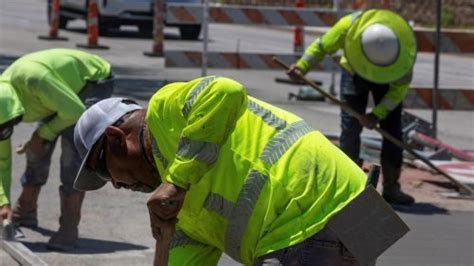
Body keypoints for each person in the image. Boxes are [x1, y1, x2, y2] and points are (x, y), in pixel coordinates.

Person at [73, 76, 372, 265]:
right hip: (359, 211)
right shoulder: (182, 211)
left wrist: (178, 181)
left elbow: (226, 89)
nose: (114, 185)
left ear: (116, 139)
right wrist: (164, 241)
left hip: (316, 210)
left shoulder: (164, 111)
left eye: (104, 172)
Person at [287, 9, 417, 205]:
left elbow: (396, 95)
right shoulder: (349, 27)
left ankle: (391, 187)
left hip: (388, 81)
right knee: (350, 129)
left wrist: (376, 114)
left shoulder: (404, 55)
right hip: (354, 72)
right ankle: (349, 188)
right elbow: (322, 46)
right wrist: (302, 65)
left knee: (393, 132)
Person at [0, 48, 114, 250]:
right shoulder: (5, 102)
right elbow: (2, 163)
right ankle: (25, 210)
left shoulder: (34, 81)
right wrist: (2, 202)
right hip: (56, 90)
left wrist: (43, 134)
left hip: (91, 82)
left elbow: (74, 111)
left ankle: (69, 226)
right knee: (37, 150)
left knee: (72, 151)